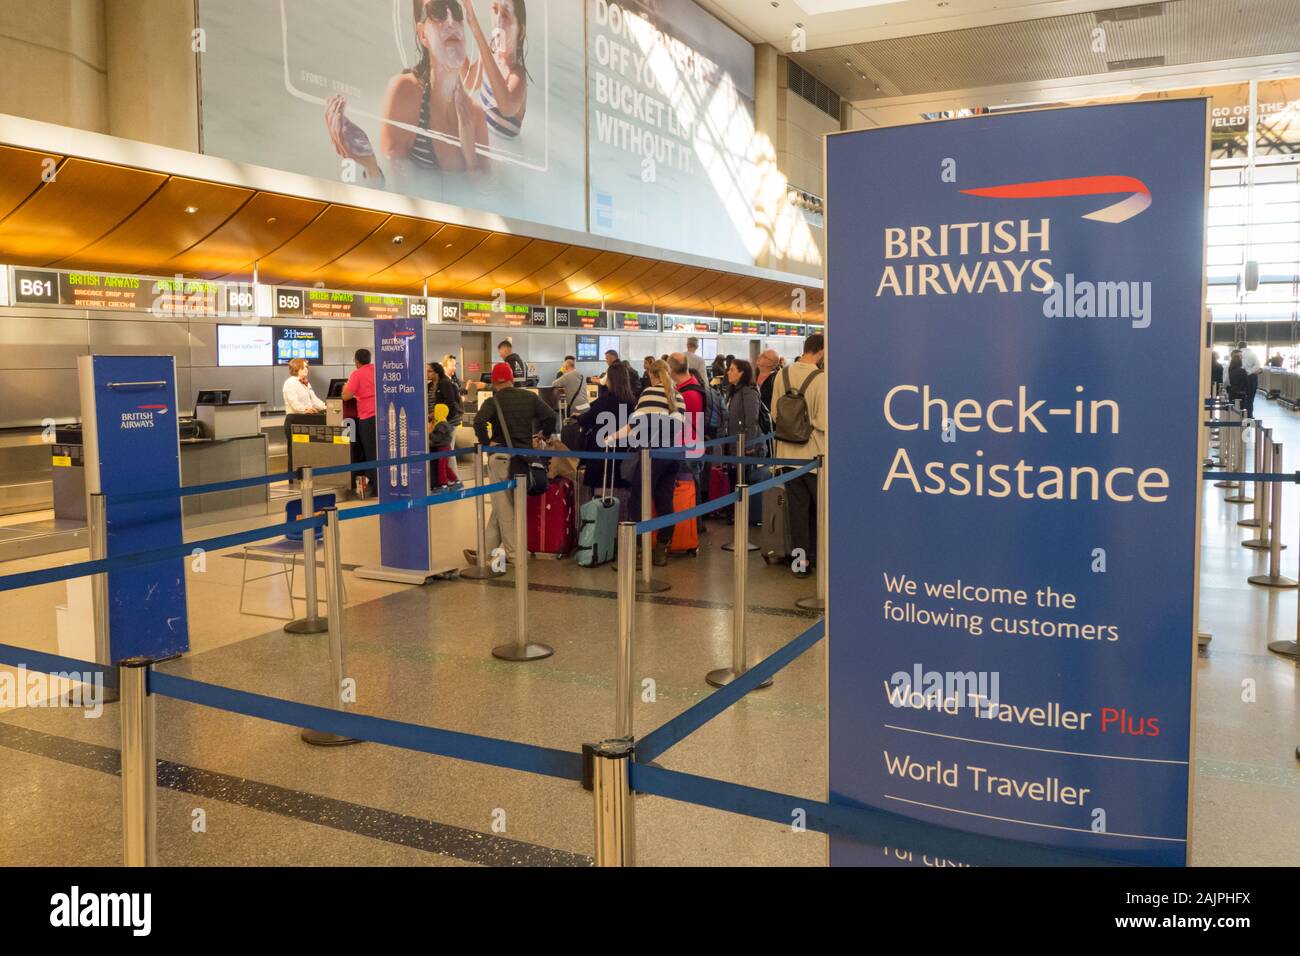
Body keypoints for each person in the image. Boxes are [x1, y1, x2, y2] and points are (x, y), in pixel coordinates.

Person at [325, 0, 489, 182]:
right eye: (439, 10)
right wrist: (370, 166)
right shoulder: (405, 93)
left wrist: (470, 158)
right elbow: (395, 190)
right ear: (423, 34)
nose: (451, 21)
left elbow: (489, 196)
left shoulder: (476, 114)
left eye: (457, 12)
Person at [466, 362, 555, 565]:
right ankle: (485, 552)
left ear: (494, 383)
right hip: (523, 460)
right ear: (512, 379)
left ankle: (515, 556)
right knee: (501, 506)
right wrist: (545, 434)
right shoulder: (528, 396)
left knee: (504, 508)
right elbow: (550, 415)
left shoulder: (494, 401)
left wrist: (486, 443)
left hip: (500, 458)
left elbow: (479, 421)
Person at [602, 360, 683, 566]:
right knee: (665, 500)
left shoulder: (649, 393)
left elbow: (633, 426)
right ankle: (661, 550)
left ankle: (638, 552)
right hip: (673, 454)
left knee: (638, 500)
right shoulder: (678, 395)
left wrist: (611, 437)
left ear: (652, 374)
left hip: (651, 455)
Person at [771, 333, 826, 578]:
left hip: (786, 455)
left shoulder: (781, 375)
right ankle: (819, 559)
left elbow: (775, 414)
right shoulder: (822, 379)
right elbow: (824, 422)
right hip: (815, 457)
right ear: (822, 352)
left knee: (797, 512)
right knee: (819, 511)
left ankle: (800, 565)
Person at [575, 362, 638, 505]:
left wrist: (577, 417)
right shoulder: (632, 401)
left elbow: (586, 419)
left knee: (601, 493)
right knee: (622, 494)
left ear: (611, 380)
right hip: (624, 455)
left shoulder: (605, 400)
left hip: (602, 454)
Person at [465, 0, 528, 139]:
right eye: (494, 8)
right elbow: (469, 82)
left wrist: (476, 29)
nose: (497, 19)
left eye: (505, 14)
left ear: (520, 31)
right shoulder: (490, 53)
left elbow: (506, 107)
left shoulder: (518, 76)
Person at [342, 349, 378, 497]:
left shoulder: (357, 374)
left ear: (356, 361)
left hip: (367, 417)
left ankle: (375, 488)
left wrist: (345, 386)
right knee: (379, 451)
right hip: (381, 416)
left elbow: (346, 396)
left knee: (370, 453)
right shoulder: (377, 370)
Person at [282, 358, 326, 473]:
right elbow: (294, 402)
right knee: (295, 453)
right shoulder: (290, 383)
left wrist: (327, 407)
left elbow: (314, 400)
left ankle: (307, 477)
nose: (307, 369)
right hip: (294, 420)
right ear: (297, 367)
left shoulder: (306, 382)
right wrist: (305, 409)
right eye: (304, 367)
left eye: (307, 367)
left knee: (307, 452)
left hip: (306, 419)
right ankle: (293, 478)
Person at [427, 361, 463, 488]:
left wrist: (441, 418)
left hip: (447, 423)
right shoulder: (430, 386)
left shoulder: (445, 383)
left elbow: (450, 403)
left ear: (436, 372)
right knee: (442, 453)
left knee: (448, 452)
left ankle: (454, 480)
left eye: (430, 371)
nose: (427, 373)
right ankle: (448, 479)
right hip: (435, 423)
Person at [1239, 340, 1261, 419]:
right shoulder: (1253, 354)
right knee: (1251, 397)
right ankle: (1249, 415)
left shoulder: (1237, 354)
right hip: (1252, 378)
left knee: (1240, 396)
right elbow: (1258, 366)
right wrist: (1250, 372)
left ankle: (1239, 415)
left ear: (1239, 346)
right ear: (1246, 346)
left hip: (1240, 377)